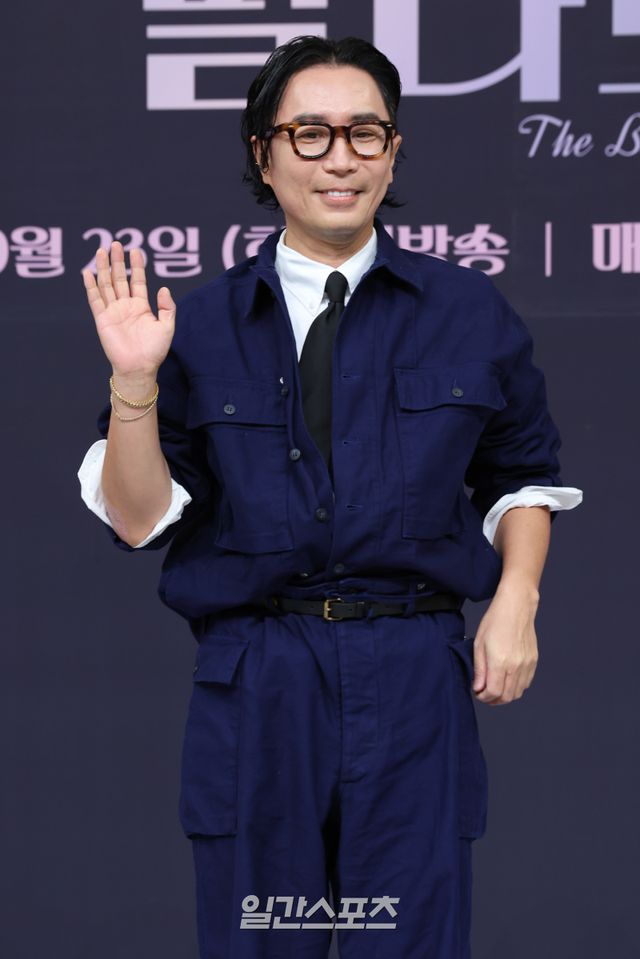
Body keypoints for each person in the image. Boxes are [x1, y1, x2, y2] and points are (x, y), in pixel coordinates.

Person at [77, 35, 582, 959]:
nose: (340, 158)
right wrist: (134, 380)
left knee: (409, 942)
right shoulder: (196, 325)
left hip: (415, 669)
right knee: (263, 941)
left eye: (365, 133)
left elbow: (521, 474)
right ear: (263, 155)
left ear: (394, 151)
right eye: (309, 134)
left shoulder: (468, 311)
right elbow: (140, 517)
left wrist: (518, 598)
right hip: (259, 675)